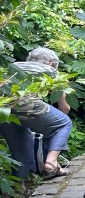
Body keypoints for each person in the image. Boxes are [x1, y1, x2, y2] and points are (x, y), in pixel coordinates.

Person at [0, 47, 73, 179]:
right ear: (51, 63)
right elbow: (64, 107)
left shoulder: (13, 67)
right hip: (26, 103)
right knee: (64, 123)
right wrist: (53, 132)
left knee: (21, 143)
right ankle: (51, 162)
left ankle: (19, 184)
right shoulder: (51, 71)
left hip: (3, 109)